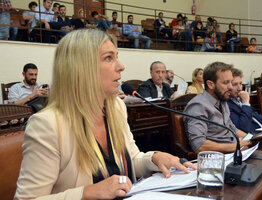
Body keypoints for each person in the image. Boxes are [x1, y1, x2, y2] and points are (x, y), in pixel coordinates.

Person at [14, 29, 195, 200]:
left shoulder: (115, 107)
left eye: (117, 57)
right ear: (81, 68)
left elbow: (130, 160)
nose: (121, 66)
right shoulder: (47, 125)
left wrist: (153, 158)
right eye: (109, 58)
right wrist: (86, 193)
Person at [183, 62, 251, 153]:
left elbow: (233, 129)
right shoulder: (198, 106)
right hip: (220, 158)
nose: (230, 87)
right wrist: (235, 146)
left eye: (231, 82)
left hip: (235, 151)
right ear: (210, 84)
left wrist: (251, 139)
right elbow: (199, 145)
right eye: (226, 82)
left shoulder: (222, 101)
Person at [228, 68, 262, 134]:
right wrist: (245, 103)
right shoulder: (227, 105)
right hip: (253, 137)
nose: (239, 88)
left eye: (240, 83)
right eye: (235, 84)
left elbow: (258, 117)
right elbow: (242, 128)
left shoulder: (239, 100)